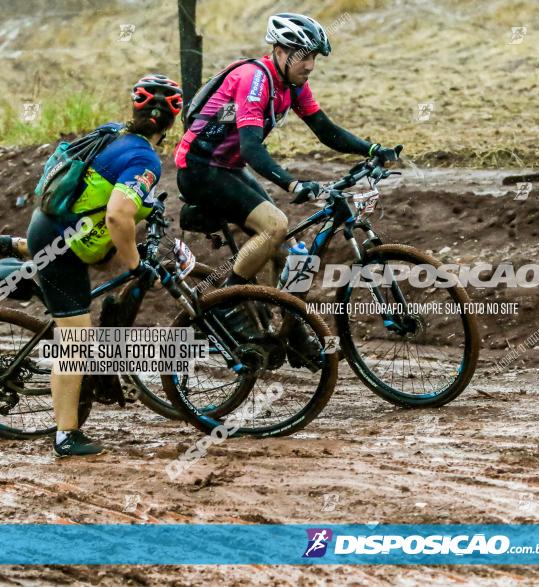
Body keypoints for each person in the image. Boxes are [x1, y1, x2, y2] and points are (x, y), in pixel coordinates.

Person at [174, 12, 400, 362]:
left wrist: (371, 148)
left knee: (294, 252)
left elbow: (325, 130)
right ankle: (227, 305)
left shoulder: (292, 85)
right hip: (199, 168)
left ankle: (292, 331)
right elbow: (251, 148)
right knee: (275, 224)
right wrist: (291, 182)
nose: (310, 65)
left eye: (314, 57)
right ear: (280, 51)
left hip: (228, 168)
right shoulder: (255, 79)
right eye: (303, 55)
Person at [26, 74, 183, 457]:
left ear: (136, 110)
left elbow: (104, 193)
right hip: (59, 245)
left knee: (78, 323)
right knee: (75, 342)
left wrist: (152, 207)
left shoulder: (115, 134)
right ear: (171, 122)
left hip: (57, 230)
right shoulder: (144, 157)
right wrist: (133, 265)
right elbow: (117, 215)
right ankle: (65, 436)